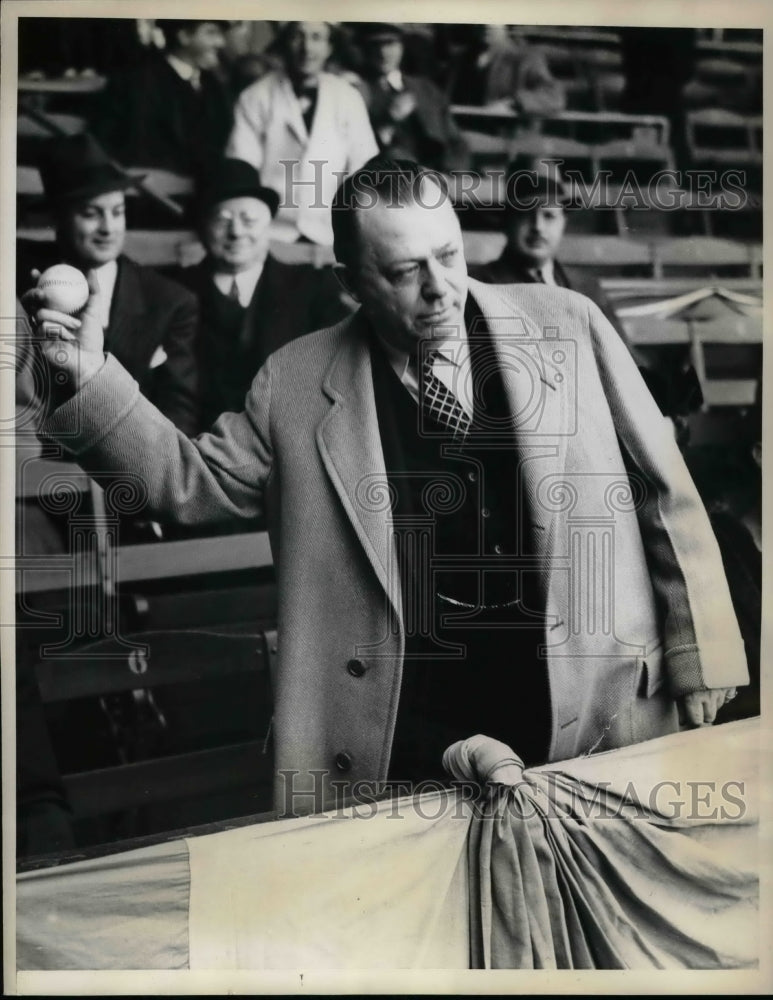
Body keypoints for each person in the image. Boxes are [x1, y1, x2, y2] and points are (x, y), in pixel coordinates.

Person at [26, 157, 747, 815]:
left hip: (597, 714)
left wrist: (702, 652)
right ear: (348, 284)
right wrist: (87, 379)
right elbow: (191, 484)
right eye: (404, 272)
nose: (439, 289)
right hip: (411, 740)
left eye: (448, 256)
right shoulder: (294, 380)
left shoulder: (568, 321)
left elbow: (662, 488)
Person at [470, 155, 703, 424]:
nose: (537, 227)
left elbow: (624, 359)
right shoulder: (482, 286)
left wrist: (661, 409)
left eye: (548, 215)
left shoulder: (585, 285)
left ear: (563, 223)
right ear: (506, 219)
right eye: (526, 212)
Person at [17, 133, 201, 435]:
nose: (108, 228)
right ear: (58, 217)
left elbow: (177, 414)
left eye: (118, 212)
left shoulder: (170, 301)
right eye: (91, 213)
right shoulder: (18, 280)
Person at [172, 158, 353, 428]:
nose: (236, 232)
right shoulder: (175, 290)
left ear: (268, 225)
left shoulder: (313, 288)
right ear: (202, 228)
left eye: (249, 220)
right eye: (222, 221)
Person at [225, 21, 378, 245]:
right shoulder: (256, 96)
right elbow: (242, 166)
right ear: (284, 43)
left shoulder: (348, 97)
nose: (307, 49)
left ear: (329, 47)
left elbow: (361, 166)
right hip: (270, 233)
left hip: (331, 235)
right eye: (298, 37)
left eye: (317, 38)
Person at [89, 19, 233, 176]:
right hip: (154, 191)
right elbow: (134, 151)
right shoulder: (139, 83)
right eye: (211, 32)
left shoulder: (215, 85)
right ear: (184, 36)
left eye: (220, 34)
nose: (221, 42)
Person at [355, 23, 470, 173]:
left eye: (390, 44)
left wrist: (455, 171)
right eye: (376, 45)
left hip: (441, 175)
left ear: (402, 46)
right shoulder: (358, 91)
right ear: (365, 50)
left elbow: (454, 139)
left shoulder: (425, 88)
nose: (383, 53)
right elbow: (360, 148)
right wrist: (389, 120)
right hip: (392, 180)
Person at [446, 24, 565, 114]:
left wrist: (513, 103)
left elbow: (554, 96)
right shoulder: (462, 58)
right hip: (463, 135)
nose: (487, 24)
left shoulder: (525, 56)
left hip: (508, 138)